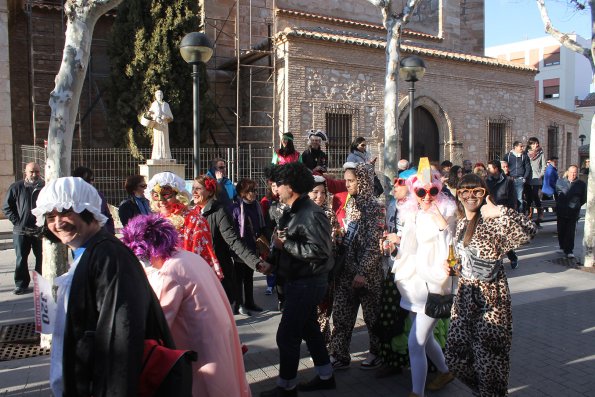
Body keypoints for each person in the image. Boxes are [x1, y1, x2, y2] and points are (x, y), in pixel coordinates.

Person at [32, 177, 174, 397]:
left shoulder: (109, 257)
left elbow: (121, 339)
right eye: (51, 216)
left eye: (66, 212)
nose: (58, 223)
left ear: (87, 210)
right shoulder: (89, 252)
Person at [121, 215, 251, 397]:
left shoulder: (168, 272)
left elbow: (158, 321)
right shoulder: (188, 256)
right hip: (219, 342)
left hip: (201, 354)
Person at [446, 173, 536, 397]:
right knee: (454, 357)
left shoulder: (493, 221)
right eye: (465, 191)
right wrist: (455, 268)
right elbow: (467, 259)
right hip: (465, 299)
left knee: (490, 363)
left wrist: (500, 211)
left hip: (491, 303)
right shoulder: (461, 223)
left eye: (477, 191)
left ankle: (492, 392)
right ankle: (489, 392)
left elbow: (529, 231)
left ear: (485, 193)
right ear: (458, 194)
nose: (470, 196)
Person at [259, 162, 335, 397]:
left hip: (308, 281)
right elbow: (282, 241)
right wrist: (272, 261)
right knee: (310, 329)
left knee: (287, 335)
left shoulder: (311, 213)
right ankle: (326, 376)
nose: (275, 188)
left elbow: (321, 251)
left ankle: (286, 386)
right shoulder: (291, 209)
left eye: (279, 184)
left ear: (291, 186)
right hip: (297, 280)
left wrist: (286, 245)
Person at [392, 160, 457, 397]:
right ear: (414, 191)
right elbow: (410, 246)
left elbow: (451, 246)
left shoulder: (447, 213)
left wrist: (441, 220)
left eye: (433, 191)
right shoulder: (413, 213)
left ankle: (416, 393)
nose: (427, 196)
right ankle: (445, 372)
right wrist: (394, 242)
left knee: (415, 343)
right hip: (413, 285)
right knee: (426, 339)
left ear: (440, 190)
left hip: (434, 286)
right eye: (421, 191)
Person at [329, 162, 384, 371]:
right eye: (346, 180)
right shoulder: (351, 203)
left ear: (363, 181)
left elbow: (374, 243)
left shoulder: (374, 206)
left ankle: (376, 352)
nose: (347, 184)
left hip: (367, 274)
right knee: (341, 314)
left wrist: (363, 272)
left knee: (372, 317)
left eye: (351, 180)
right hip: (346, 270)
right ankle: (339, 354)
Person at [192, 175, 266, 310]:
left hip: (217, 272)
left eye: (198, 188)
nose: (194, 192)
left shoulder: (220, 212)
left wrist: (255, 262)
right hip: (197, 272)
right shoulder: (192, 212)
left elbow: (233, 241)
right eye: (193, 188)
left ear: (209, 191)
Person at [146, 172, 221, 278]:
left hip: (187, 278)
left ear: (178, 195)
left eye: (166, 195)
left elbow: (200, 257)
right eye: (156, 196)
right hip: (162, 278)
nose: (161, 201)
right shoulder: (155, 222)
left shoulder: (194, 220)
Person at [2, 162, 44, 295]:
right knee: (21, 258)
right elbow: (7, 207)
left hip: (40, 229)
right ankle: (21, 284)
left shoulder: (44, 187)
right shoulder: (16, 187)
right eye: (31, 171)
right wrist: (17, 222)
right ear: (25, 172)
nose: (34, 174)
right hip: (21, 230)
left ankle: (41, 284)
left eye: (37, 171)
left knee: (41, 258)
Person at [309, 175, 340, 351]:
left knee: (322, 310)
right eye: (315, 192)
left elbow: (333, 243)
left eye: (323, 193)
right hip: (306, 271)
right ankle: (318, 344)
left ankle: (322, 346)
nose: (320, 196)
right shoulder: (301, 212)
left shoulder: (329, 214)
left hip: (325, 271)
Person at [232, 178, 266, 314]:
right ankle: (238, 304)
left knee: (249, 276)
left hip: (253, 246)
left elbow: (261, 225)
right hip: (241, 247)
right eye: (250, 191)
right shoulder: (235, 208)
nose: (254, 193)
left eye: (255, 190)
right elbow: (233, 230)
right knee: (239, 277)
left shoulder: (256, 205)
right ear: (242, 192)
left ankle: (250, 302)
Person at [486, 160, 519, 269]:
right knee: (492, 239)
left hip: (503, 213)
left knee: (503, 239)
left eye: (490, 168)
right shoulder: (487, 181)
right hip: (490, 214)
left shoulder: (508, 181)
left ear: (496, 169)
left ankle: (513, 257)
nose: (488, 170)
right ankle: (496, 262)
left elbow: (513, 199)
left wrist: (509, 213)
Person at [555, 165, 587, 259]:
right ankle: (562, 246)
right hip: (561, 210)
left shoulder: (581, 184)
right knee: (561, 230)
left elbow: (583, 198)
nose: (573, 174)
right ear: (568, 172)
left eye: (575, 172)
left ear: (577, 173)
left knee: (570, 231)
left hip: (573, 212)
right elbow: (557, 194)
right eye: (571, 172)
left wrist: (576, 205)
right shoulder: (560, 182)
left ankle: (569, 250)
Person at [72, 166, 115, 234]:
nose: (91, 183)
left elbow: (107, 216)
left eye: (92, 179)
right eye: (87, 180)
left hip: (102, 236)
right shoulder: (71, 198)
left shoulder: (98, 195)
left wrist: (111, 233)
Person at [503, 141, 531, 213]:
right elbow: (503, 166)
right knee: (510, 197)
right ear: (515, 147)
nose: (522, 148)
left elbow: (528, 168)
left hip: (519, 179)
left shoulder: (524, 156)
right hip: (510, 179)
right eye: (520, 146)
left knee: (519, 198)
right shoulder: (507, 156)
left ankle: (520, 214)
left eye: (522, 146)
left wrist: (524, 178)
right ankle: (512, 213)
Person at [526, 137, 546, 227]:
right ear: (530, 144)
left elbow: (543, 165)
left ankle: (539, 212)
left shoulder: (541, 153)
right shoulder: (526, 153)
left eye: (536, 143)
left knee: (535, 194)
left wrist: (541, 174)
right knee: (529, 196)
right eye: (533, 144)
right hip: (528, 177)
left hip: (537, 177)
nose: (535, 145)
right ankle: (529, 215)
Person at [148, 89, 174, 160]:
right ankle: (157, 155)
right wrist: (156, 117)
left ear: (162, 96)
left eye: (160, 94)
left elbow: (171, 117)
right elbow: (149, 114)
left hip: (164, 125)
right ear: (155, 96)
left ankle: (166, 156)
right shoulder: (154, 104)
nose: (159, 96)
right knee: (157, 140)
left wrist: (165, 116)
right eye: (158, 95)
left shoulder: (166, 105)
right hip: (157, 126)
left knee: (165, 141)